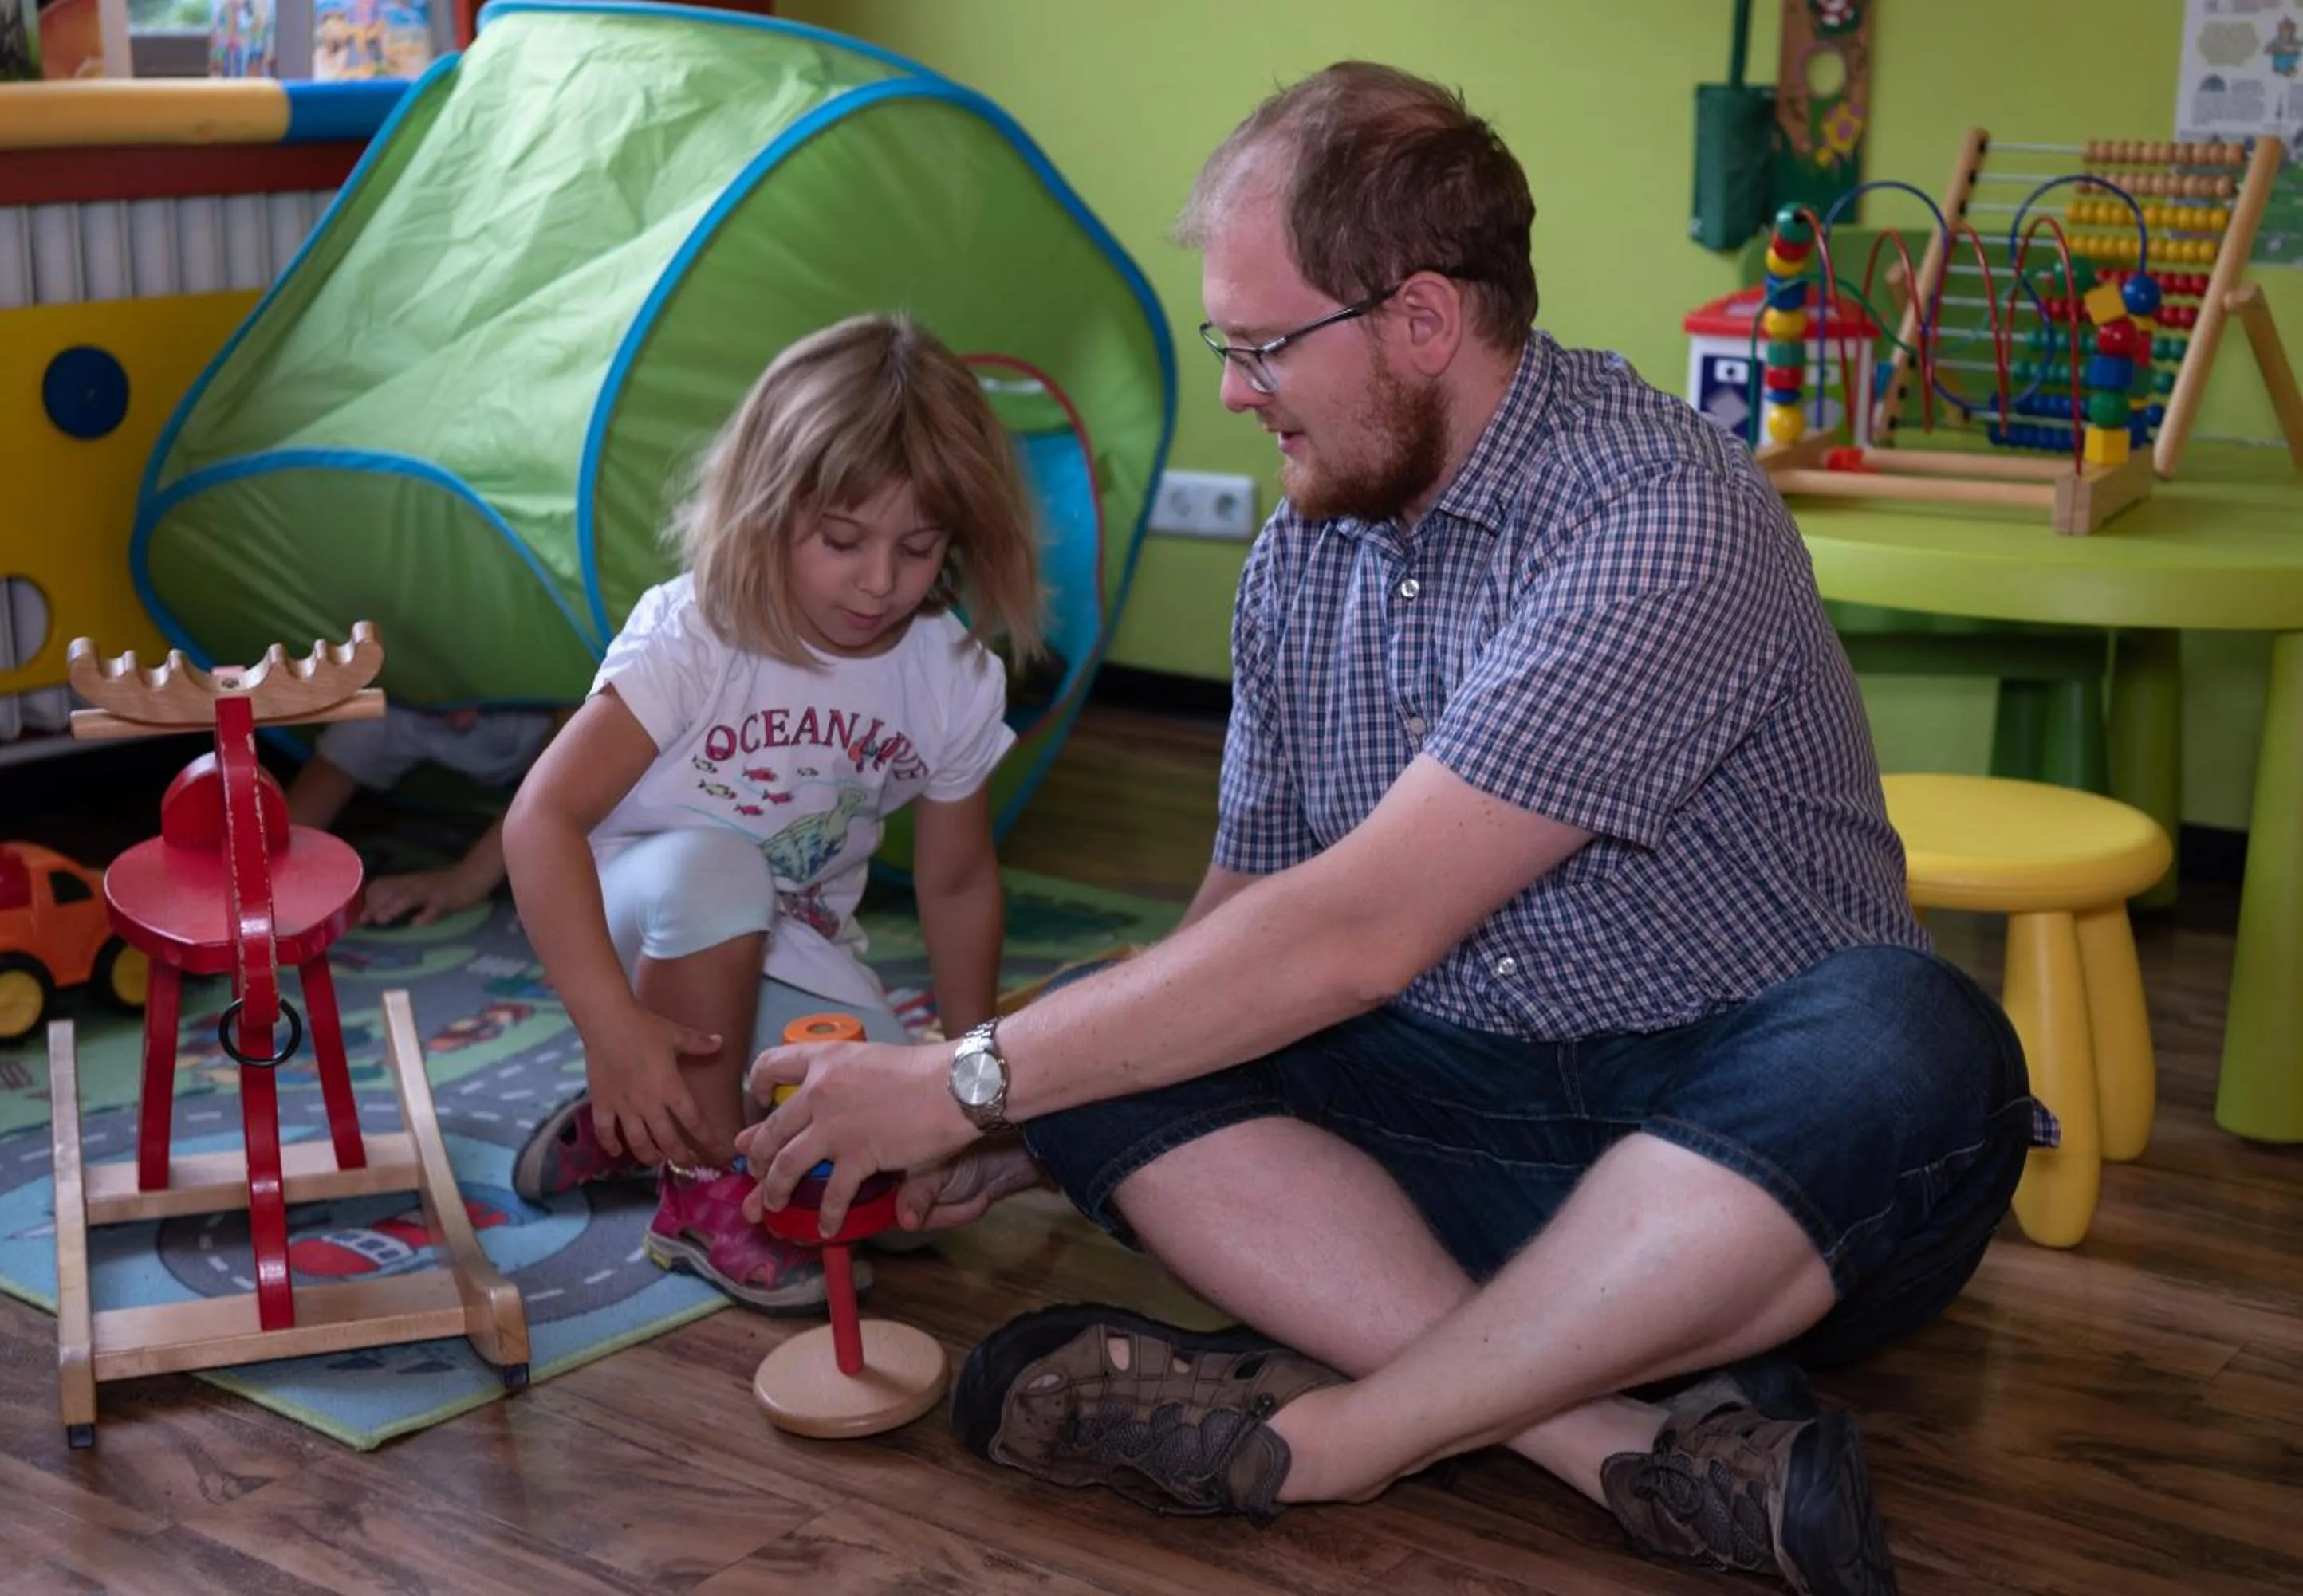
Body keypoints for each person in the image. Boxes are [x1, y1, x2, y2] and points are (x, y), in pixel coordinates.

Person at [730, 62, 2044, 1596]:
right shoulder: (1302, 555)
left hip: (1751, 1160)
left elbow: (1364, 931)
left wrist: (962, 1080)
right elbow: (1242, 921)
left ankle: (1356, 1427)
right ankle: (1603, 1435)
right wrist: (1019, 1115)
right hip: (1473, 1126)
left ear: (1421, 321)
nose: (1233, 386)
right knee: (1098, 1035)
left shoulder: (1657, 514)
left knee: (1918, 1039)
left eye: (1261, 344)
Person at [500, 312, 1046, 1313]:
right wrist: (609, 1023)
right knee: (719, 870)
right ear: (770, 504)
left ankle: (635, 1126)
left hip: (783, 941)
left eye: (918, 548)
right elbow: (539, 820)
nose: (880, 581)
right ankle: (696, 1189)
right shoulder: (699, 633)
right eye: (843, 540)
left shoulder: (951, 675)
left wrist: (968, 1084)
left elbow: (959, 880)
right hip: (627, 921)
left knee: (887, 1176)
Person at [287, 705, 571, 926]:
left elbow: (562, 776)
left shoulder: (555, 709)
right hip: (408, 710)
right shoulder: (385, 715)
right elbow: (284, 837)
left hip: (552, 725)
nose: (462, 718)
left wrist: (467, 880)